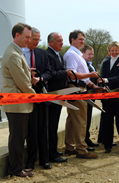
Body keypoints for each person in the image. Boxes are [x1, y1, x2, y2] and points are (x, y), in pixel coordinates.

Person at [1, 23, 35, 177]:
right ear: (17, 35)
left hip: (19, 104)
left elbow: (22, 75)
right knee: (17, 138)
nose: (29, 40)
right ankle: (15, 170)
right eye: (27, 37)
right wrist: (35, 95)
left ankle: (18, 166)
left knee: (19, 137)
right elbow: (22, 82)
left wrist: (28, 71)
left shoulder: (16, 52)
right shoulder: (14, 54)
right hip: (16, 104)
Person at [64, 30, 99, 159]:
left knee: (73, 120)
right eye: (80, 39)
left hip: (80, 87)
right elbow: (71, 74)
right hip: (76, 88)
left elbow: (82, 75)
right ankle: (81, 149)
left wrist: (93, 85)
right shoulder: (72, 54)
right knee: (81, 119)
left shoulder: (76, 54)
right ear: (72, 40)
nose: (82, 41)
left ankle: (70, 146)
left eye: (83, 39)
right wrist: (90, 75)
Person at [24, 27, 52, 170]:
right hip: (26, 96)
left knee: (43, 128)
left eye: (38, 40)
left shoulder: (42, 53)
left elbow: (49, 72)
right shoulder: (20, 53)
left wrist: (40, 78)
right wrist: (30, 79)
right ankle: (31, 161)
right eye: (34, 39)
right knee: (31, 130)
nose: (36, 42)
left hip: (42, 95)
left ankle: (44, 160)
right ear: (28, 39)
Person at [98, 41, 119, 154]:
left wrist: (106, 80)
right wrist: (102, 85)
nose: (114, 52)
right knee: (107, 122)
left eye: (116, 50)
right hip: (107, 97)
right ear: (109, 51)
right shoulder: (105, 63)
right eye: (112, 50)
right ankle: (108, 145)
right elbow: (102, 77)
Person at [46, 32, 70, 163]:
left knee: (54, 125)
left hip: (60, 95)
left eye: (62, 40)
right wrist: (65, 73)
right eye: (59, 41)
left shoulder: (58, 55)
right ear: (51, 42)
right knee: (51, 126)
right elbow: (52, 74)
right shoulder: (48, 55)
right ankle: (52, 154)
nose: (62, 43)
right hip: (53, 96)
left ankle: (53, 150)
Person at [81, 45, 100, 150]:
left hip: (92, 94)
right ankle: (84, 140)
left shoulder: (91, 65)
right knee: (85, 118)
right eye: (89, 54)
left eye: (92, 54)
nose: (91, 56)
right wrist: (94, 86)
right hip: (86, 93)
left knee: (88, 117)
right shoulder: (83, 64)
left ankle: (87, 138)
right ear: (83, 54)